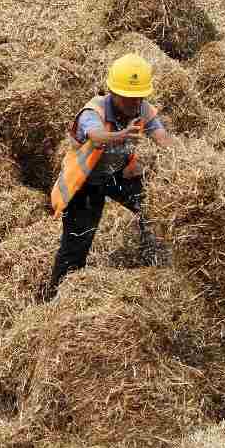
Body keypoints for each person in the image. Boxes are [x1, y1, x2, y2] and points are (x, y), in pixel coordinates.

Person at [42, 53, 173, 302]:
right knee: (76, 246)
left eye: (139, 97)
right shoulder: (94, 111)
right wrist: (123, 134)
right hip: (85, 183)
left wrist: (181, 156)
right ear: (114, 92)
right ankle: (55, 298)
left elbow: (161, 136)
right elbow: (97, 136)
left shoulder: (142, 108)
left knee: (153, 207)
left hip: (118, 175)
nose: (135, 103)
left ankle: (153, 264)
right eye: (129, 98)